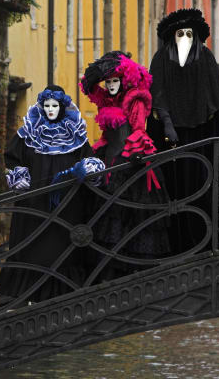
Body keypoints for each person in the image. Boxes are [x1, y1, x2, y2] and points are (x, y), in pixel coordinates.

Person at [0, 85, 97, 303]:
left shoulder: (75, 133)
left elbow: (88, 158)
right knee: (34, 245)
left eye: (55, 106)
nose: (51, 110)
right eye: (47, 106)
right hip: (34, 203)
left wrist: (86, 169)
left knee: (64, 248)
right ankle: (31, 293)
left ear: (61, 107)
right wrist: (20, 178)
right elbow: (13, 158)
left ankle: (64, 293)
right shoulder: (29, 133)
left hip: (68, 204)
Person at [79, 51, 171, 281]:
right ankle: (110, 271)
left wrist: (136, 152)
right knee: (109, 214)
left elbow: (139, 130)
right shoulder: (108, 102)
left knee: (132, 213)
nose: (110, 85)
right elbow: (90, 89)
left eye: (114, 80)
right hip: (110, 161)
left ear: (124, 80)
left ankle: (135, 272)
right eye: (107, 81)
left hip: (132, 164)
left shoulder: (135, 100)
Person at [147, 8, 219, 254]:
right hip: (170, 141)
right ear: (172, 36)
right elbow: (157, 95)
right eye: (179, 33)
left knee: (201, 189)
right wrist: (168, 124)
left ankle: (205, 243)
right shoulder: (161, 59)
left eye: (188, 34)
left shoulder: (205, 58)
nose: (184, 38)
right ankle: (174, 246)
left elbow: (217, 99)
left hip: (201, 140)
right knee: (174, 191)